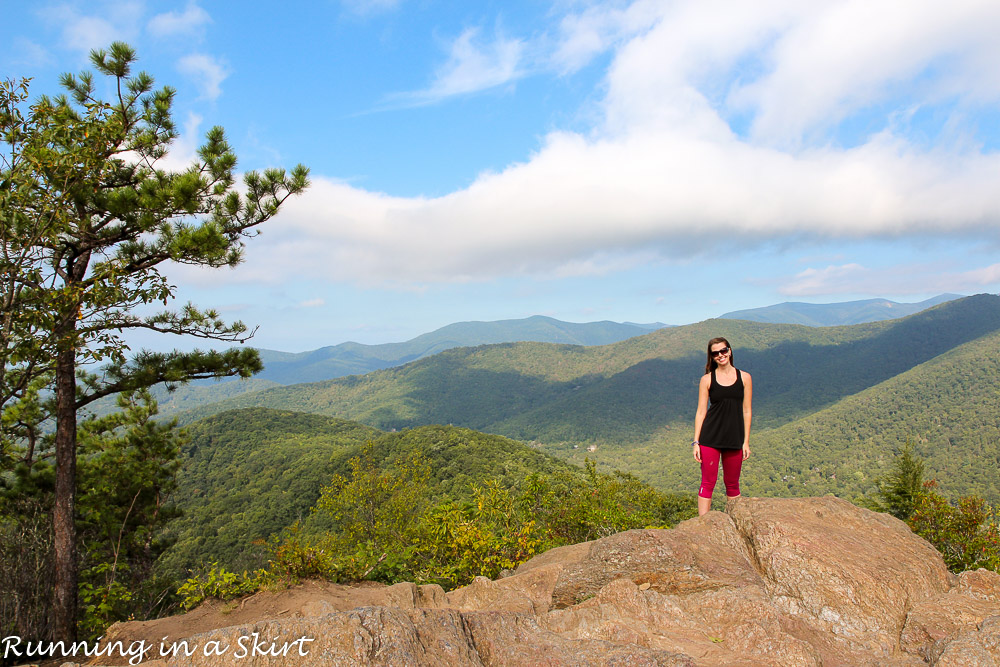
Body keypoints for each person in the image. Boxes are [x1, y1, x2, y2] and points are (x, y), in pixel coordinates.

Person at [692, 337, 752, 516]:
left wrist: (746, 442)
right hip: (710, 437)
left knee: (733, 484)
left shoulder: (745, 377)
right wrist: (696, 442)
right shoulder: (707, 379)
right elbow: (701, 412)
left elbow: (747, 411)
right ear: (711, 357)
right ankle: (703, 525)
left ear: (730, 351)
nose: (720, 355)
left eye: (723, 351)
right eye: (715, 353)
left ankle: (736, 522)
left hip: (735, 437)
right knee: (707, 482)